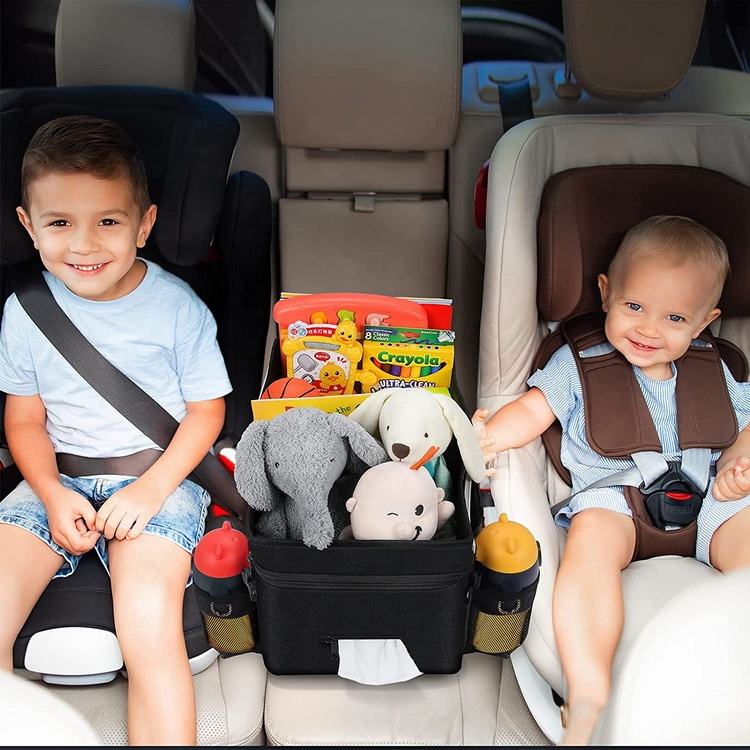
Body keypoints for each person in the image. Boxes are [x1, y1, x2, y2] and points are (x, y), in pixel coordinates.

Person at [473, 215, 750, 745]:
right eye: (635, 307)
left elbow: (746, 427)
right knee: (590, 547)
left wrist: (739, 463)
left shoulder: (717, 367)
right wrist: (487, 436)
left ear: (704, 322)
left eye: (674, 317)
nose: (648, 329)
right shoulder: (578, 363)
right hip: (614, 498)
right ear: (605, 293)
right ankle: (588, 681)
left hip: (712, 496)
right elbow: (532, 412)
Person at [0, 116, 233, 745]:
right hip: (55, 480)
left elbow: (206, 413)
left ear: (144, 224)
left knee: (147, 623)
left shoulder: (177, 308)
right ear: (28, 226)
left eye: (108, 221)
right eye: (59, 223)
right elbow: (24, 420)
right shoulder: (25, 312)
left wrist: (150, 491)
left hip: (156, 478)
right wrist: (51, 494)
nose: (84, 245)